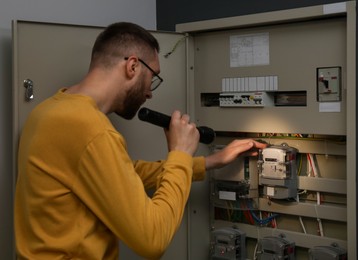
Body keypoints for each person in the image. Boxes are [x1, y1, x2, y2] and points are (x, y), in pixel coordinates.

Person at [14, 22, 267, 259]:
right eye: (152, 77)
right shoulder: (91, 129)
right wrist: (179, 153)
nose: (149, 92)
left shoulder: (50, 110)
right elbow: (152, 240)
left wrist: (211, 161)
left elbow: (124, 174)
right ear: (132, 66)